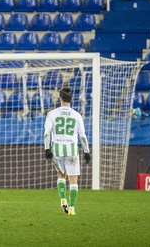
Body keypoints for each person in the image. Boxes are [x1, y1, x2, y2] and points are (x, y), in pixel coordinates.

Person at [43, 87, 91, 217]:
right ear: (72, 99)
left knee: (61, 175)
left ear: (60, 98)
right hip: (71, 150)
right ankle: (72, 208)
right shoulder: (76, 115)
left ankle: (63, 199)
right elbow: (83, 136)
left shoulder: (51, 114)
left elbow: (47, 133)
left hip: (57, 149)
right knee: (73, 180)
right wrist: (86, 151)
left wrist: (47, 149)